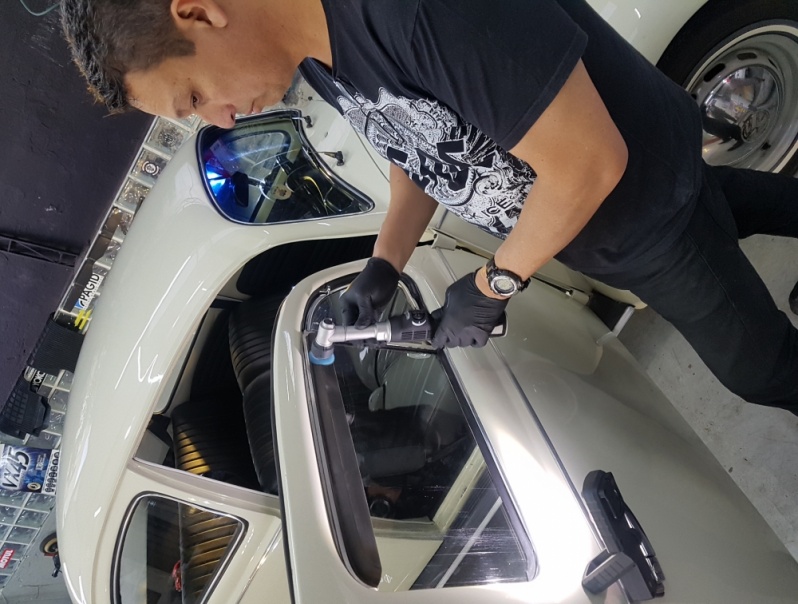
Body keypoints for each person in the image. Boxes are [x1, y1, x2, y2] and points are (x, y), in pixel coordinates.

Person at [60, 0, 798, 411]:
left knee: (760, 371)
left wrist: (493, 284)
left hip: (643, 209)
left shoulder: (411, 11)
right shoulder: (318, 54)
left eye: (193, 95)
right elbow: (417, 142)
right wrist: (384, 263)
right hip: (616, 215)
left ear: (198, 11)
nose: (218, 117)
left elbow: (588, 164)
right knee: (741, 206)